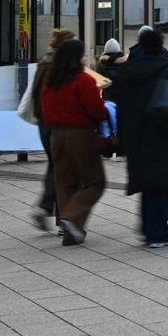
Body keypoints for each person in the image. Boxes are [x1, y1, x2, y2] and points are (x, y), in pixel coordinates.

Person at [106, 27, 168, 247]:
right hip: (165, 135)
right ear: (160, 46)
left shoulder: (128, 72)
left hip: (137, 137)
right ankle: (158, 233)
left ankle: (148, 228)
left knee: (147, 182)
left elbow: (115, 99)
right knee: (162, 184)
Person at [38, 38, 110, 245]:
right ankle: (71, 217)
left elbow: (44, 109)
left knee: (65, 182)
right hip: (79, 135)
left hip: (55, 136)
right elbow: (96, 111)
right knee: (95, 181)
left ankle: (71, 233)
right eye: (83, 54)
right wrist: (105, 109)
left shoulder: (51, 81)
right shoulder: (83, 80)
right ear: (77, 58)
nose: (85, 57)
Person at [28, 28, 77, 232]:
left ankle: (49, 208)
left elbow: (34, 94)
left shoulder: (44, 64)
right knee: (63, 169)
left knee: (55, 165)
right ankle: (58, 215)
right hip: (58, 123)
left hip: (43, 122)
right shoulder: (62, 68)